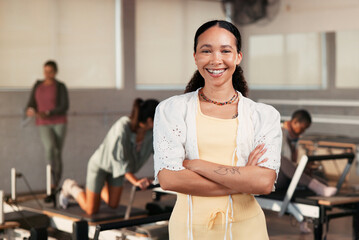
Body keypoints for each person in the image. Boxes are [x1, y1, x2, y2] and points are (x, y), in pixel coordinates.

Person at [153, 20, 282, 239]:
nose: (216, 59)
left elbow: (264, 182)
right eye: (206, 50)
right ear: (195, 57)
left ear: (238, 57)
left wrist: (196, 165)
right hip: (189, 230)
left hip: (248, 230)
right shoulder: (171, 110)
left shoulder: (263, 115)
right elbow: (169, 179)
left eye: (225, 50)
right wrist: (243, 180)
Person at [59, 98, 159, 215]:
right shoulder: (123, 127)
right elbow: (119, 161)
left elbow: (159, 153)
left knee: (113, 204)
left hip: (116, 172)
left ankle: (98, 187)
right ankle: (70, 186)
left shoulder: (151, 133)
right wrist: (136, 181)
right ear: (150, 120)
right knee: (91, 209)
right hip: (100, 166)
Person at [277, 109, 337, 233]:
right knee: (281, 159)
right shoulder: (277, 132)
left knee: (321, 180)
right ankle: (317, 187)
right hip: (275, 177)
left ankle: (306, 218)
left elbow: (291, 163)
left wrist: (302, 167)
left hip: (287, 175)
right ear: (294, 122)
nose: (303, 132)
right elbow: (277, 160)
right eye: (302, 128)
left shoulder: (294, 139)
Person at [25, 60, 69, 190]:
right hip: (43, 123)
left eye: (50, 71)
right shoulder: (38, 85)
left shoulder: (60, 86)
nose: (47, 74)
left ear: (55, 72)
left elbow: (64, 106)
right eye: (45, 71)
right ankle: (51, 181)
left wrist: (48, 112)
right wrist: (31, 110)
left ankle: (55, 183)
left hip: (59, 122)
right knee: (50, 149)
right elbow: (31, 103)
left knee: (57, 152)